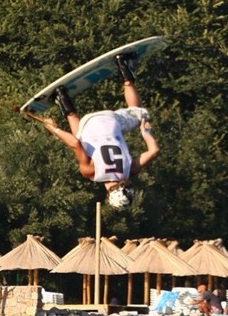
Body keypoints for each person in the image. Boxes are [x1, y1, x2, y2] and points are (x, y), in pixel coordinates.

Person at [41, 55, 160, 210]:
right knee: (80, 138)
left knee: (139, 113)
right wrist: (53, 128)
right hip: (87, 124)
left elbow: (154, 151)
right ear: (108, 196)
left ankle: (124, 66)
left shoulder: (130, 170)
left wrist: (145, 132)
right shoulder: (91, 173)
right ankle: (61, 96)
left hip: (109, 119)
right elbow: (75, 144)